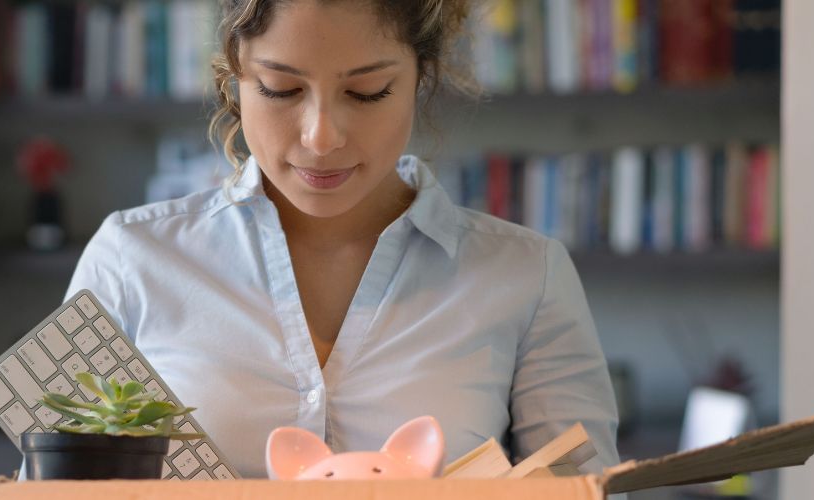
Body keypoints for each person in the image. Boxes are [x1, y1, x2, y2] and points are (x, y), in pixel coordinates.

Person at [64, 0, 620, 478]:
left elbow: (582, 485)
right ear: (234, 76)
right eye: (281, 90)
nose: (321, 137)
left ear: (419, 79)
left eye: (369, 92)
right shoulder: (130, 258)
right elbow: (48, 484)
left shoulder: (528, 275)